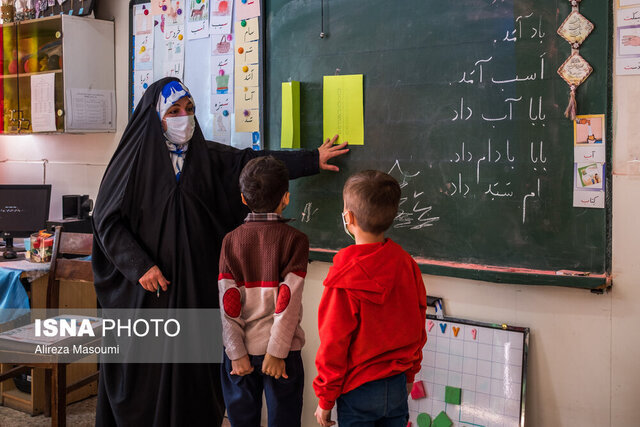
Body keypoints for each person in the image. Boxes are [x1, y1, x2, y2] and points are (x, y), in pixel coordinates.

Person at [92, 77, 348, 427]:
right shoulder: (130, 164)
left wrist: (312, 159)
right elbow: (107, 222)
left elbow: (260, 166)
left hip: (197, 294)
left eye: (190, 109)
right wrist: (141, 266)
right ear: (155, 117)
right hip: (149, 297)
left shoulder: (210, 159)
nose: (184, 117)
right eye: (174, 111)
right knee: (145, 386)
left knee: (197, 386)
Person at [313, 170, 427, 427]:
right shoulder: (407, 265)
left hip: (358, 388)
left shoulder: (343, 276)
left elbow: (333, 343)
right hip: (397, 383)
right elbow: (418, 323)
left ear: (348, 217)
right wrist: (410, 373)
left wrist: (325, 399)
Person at [218, 156, 308, 427]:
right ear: (286, 198)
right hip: (282, 355)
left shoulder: (230, 241)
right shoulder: (296, 240)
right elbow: (287, 303)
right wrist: (277, 353)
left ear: (243, 199)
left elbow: (228, 304)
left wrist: (237, 353)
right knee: (285, 419)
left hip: (241, 352)